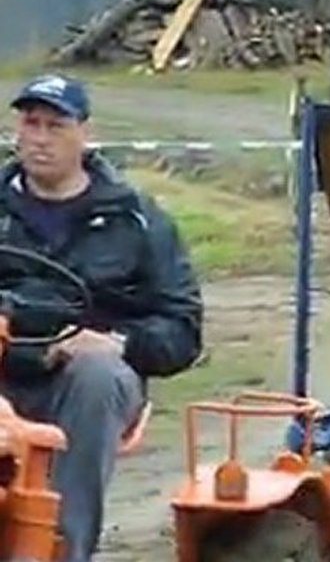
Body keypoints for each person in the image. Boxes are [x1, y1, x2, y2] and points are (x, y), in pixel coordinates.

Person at [0, 74, 203, 562]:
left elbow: (182, 329)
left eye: (56, 125)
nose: (41, 138)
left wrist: (118, 341)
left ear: (84, 133)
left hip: (83, 382)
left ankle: (59, 548)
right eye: (32, 123)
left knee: (96, 374)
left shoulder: (137, 219)